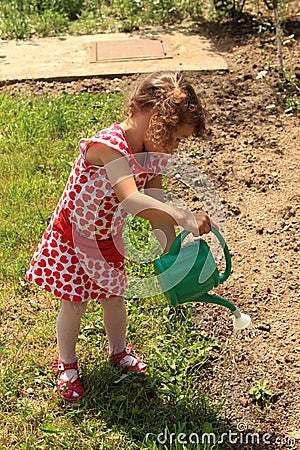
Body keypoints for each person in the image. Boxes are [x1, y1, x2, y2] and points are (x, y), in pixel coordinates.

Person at [26, 71, 212, 402]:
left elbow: (156, 203)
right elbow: (130, 198)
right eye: (176, 138)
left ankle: (118, 351)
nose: (175, 147)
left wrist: (171, 251)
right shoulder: (109, 146)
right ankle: (66, 364)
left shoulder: (150, 155)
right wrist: (184, 217)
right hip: (76, 239)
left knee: (114, 297)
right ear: (157, 121)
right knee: (75, 301)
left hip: (107, 239)